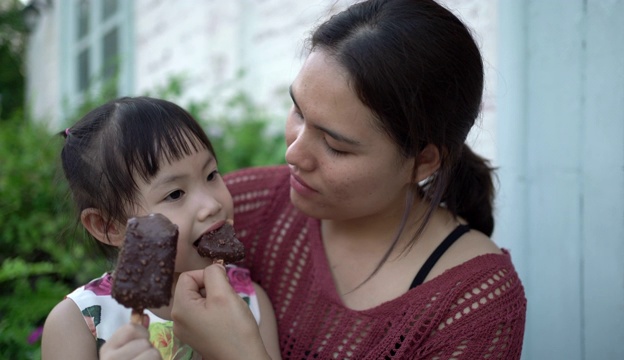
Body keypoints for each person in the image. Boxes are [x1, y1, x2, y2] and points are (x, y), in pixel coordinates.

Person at [104, 0, 528, 358]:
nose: (293, 153)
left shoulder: (472, 305)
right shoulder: (241, 207)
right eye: (299, 113)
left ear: (424, 161)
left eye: (336, 146)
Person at [40, 96, 281, 360]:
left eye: (211, 175)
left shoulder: (248, 303)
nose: (211, 204)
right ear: (108, 226)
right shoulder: (77, 323)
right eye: (175, 194)